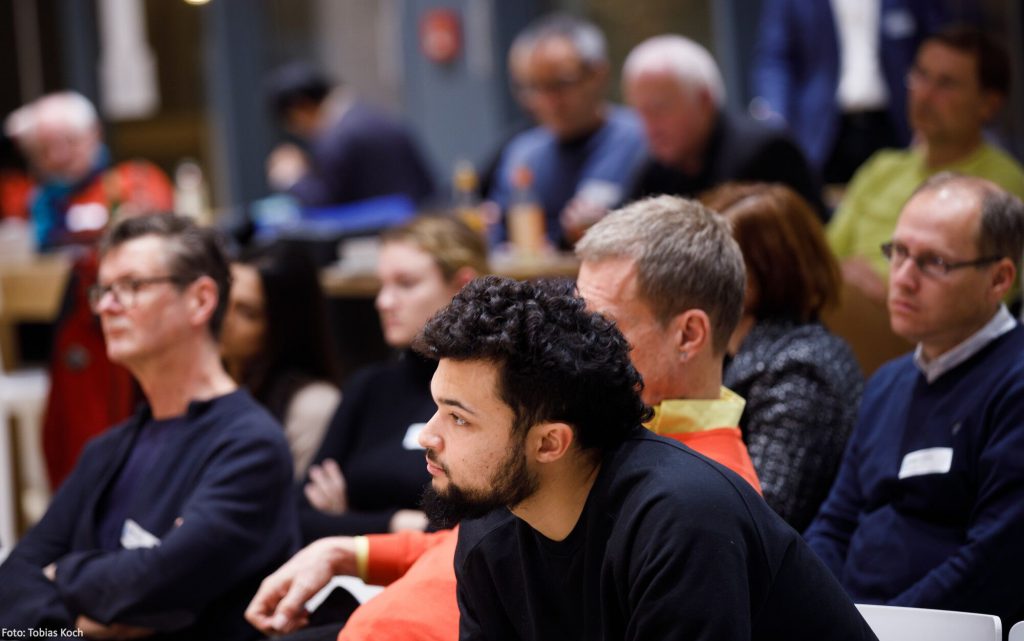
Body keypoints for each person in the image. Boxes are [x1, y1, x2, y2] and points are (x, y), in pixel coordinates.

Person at [244, 196, 772, 640]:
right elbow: (489, 534)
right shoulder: (584, 437)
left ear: (688, 335)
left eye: (602, 322)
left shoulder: (699, 499)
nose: (576, 336)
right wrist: (354, 550)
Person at [414, 272, 874, 640]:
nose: (427, 436)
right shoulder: (490, 526)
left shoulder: (682, 517)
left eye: (459, 418)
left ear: (551, 443)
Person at [0, 214, 297, 640]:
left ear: (200, 300)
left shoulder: (251, 445)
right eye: (102, 290)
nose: (105, 306)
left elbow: (159, 579)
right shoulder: (106, 449)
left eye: (131, 286)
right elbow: (16, 575)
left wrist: (60, 574)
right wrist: (73, 630)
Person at [805, 173, 1024, 627]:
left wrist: (867, 629)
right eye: (899, 252)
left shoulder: (1014, 384)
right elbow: (835, 524)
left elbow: (995, 564)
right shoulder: (888, 382)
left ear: (999, 279)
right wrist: (814, 610)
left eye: (934, 263)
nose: (902, 279)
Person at [4, 91, 175, 490]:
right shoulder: (32, 199)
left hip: (124, 340)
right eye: (43, 148)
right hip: (55, 335)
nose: (56, 156)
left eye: (67, 142)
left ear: (94, 134)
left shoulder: (133, 181)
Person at [299, 215, 487, 541]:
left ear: (462, 286)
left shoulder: (488, 392)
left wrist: (349, 520)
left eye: (406, 284)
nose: (383, 301)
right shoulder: (370, 387)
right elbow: (301, 516)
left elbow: (474, 529)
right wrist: (398, 522)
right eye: (382, 284)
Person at [702, 183, 863, 531]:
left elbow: (766, 513)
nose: (692, 272)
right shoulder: (728, 351)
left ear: (765, 272)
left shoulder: (803, 370)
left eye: (712, 258)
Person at [827, 26, 1024, 303]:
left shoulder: (1001, 185)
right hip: (843, 305)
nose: (924, 94)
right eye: (920, 75)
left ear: (988, 104)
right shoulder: (882, 167)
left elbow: (988, 299)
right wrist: (844, 276)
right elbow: (822, 259)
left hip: (923, 321)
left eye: (946, 84)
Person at [487, 13, 647, 247]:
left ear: (598, 75)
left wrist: (610, 232)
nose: (547, 101)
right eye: (533, 87)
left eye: (560, 84)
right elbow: (498, 237)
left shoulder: (643, 141)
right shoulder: (521, 154)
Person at [622, 35, 825, 218]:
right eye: (640, 111)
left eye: (659, 108)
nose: (649, 124)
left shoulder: (767, 153)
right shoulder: (653, 169)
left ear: (704, 99)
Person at [750, 0, 948, 183]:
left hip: (893, 124)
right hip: (821, 131)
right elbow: (775, 59)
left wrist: (929, 116)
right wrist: (776, 124)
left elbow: (934, 45)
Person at [221, 242, 341, 478]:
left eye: (247, 313)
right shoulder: (204, 385)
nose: (223, 320)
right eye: (223, 300)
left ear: (285, 326)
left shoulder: (313, 406)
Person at [265, 62, 435, 208]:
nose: (295, 130)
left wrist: (294, 178)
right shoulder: (367, 116)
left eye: (291, 121)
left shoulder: (336, 137)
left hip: (387, 230)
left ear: (300, 107)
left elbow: (325, 204)